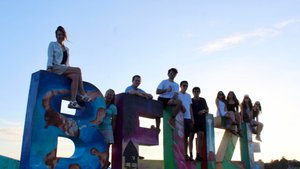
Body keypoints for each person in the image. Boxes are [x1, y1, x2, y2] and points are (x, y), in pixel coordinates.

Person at [47, 26, 91, 109]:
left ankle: (73, 102)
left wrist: (71, 71)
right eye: (58, 34)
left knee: (76, 76)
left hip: (64, 69)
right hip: (55, 67)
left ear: (64, 36)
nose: (60, 36)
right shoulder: (52, 44)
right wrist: (49, 68)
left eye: (62, 34)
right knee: (78, 70)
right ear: (56, 36)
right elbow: (50, 56)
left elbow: (67, 63)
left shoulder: (67, 49)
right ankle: (82, 92)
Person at [97, 89, 118, 167]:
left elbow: (114, 121)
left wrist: (112, 131)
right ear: (105, 94)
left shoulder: (113, 107)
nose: (109, 96)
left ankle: (105, 165)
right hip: (98, 128)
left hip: (107, 129)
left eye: (111, 95)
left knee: (106, 149)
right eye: (108, 94)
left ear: (113, 97)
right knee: (96, 146)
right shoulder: (100, 103)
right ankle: (97, 164)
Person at [189, 87, 208, 161]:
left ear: (199, 92)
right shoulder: (190, 100)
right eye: (195, 91)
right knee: (191, 138)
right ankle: (190, 155)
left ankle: (198, 155)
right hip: (192, 121)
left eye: (197, 91)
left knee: (200, 137)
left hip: (201, 121)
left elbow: (207, 109)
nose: (196, 93)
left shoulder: (203, 100)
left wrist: (203, 111)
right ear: (193, 92)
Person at [177, 81, 194, 161]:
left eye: (186, 86)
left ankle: (185, 154)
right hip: (180, 118)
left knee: (186, 138)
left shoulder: (188, 95)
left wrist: (192, 118)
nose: (185, 87)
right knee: (180, 137)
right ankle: (180, 154)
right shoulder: (177, 94)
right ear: (181, 86)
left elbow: (190, 108)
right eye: (184, 85)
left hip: (188, 118)